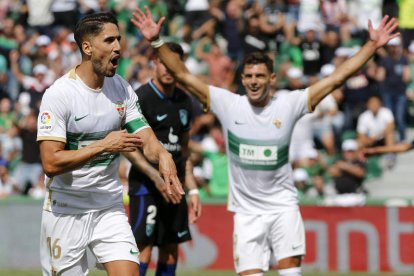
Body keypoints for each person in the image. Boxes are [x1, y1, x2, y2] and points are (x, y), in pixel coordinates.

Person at [132, 8, 399, 276]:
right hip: (247, 214)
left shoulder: (289, 103)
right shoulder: (229, 104)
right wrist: (156, 41)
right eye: (248, 76)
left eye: (260, 76)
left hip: (283, 207)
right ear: (242, 79)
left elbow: (336, 78)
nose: (253, 82)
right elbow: (182, 74)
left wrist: (372, 45)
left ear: (272, 79)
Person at [37, 12, 184, 276]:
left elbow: (145, 137)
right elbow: (50, 162)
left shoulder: (121, 88)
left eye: (119, 39)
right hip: (66, 209)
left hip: (108, 206)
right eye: (109, 40)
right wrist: (102, 146)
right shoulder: (59, 95)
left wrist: (163, 155)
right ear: (87, 47)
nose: (118, 47)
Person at [125, 42, 202, 276]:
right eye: (164, 63)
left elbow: (184, 150)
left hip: (175, 186)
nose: (168, 69)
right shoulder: (141, 97)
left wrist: (194, 190)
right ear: (154, 64)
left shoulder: (185, 102)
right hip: (146, 184)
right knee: (143, 247)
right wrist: (155, 176)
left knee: (170, 247)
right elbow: (127, 147)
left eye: (174, 64)